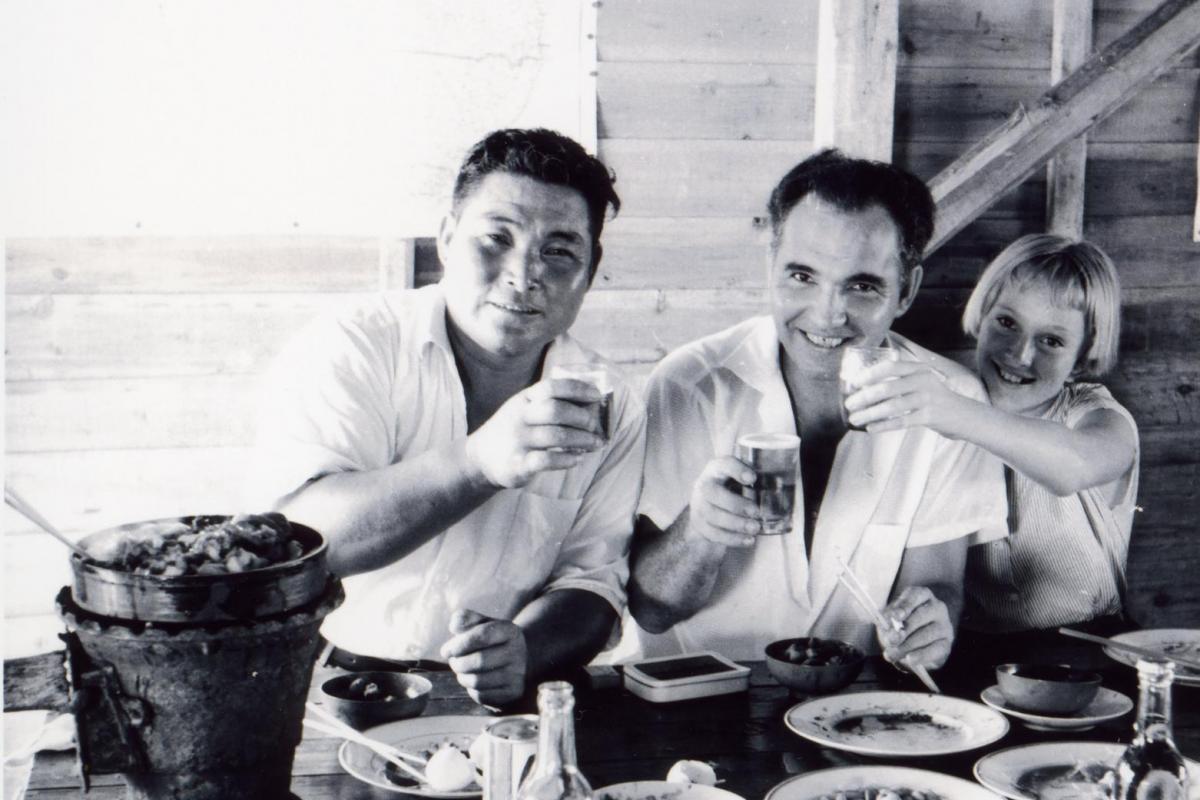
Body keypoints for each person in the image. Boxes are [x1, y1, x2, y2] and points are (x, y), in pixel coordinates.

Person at [253, 128, 646, 707]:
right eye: (496, 238)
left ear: (589, 270)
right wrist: (480, 461)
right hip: (340, 682)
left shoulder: (611, 399)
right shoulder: (357, 343)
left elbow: (594, 579)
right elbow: (300, 541)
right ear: (445, 237)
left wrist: (526, 650)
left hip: (515, 692)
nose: (525, 273)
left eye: (559, 251)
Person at [625, 149, 1007, 672]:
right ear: (771, 267)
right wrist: (700, 532)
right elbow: (651, 610)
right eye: (802, 277)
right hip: (695, 707)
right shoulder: (687, 385)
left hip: (852, 710)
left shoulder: (952, 402)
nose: (828, 315)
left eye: (862, 286)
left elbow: (939, 582)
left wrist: (927, 623)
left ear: (906, 291)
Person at [845, 234, 1139, 645]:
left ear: (1082, 357)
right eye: (1006, 323)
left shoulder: (1098, 414)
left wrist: (951, 412)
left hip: (1091, 651)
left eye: (1051, 341)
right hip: (970, 655)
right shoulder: (951, 393)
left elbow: (1076, 466)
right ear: (981, 316)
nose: (1020, 355)